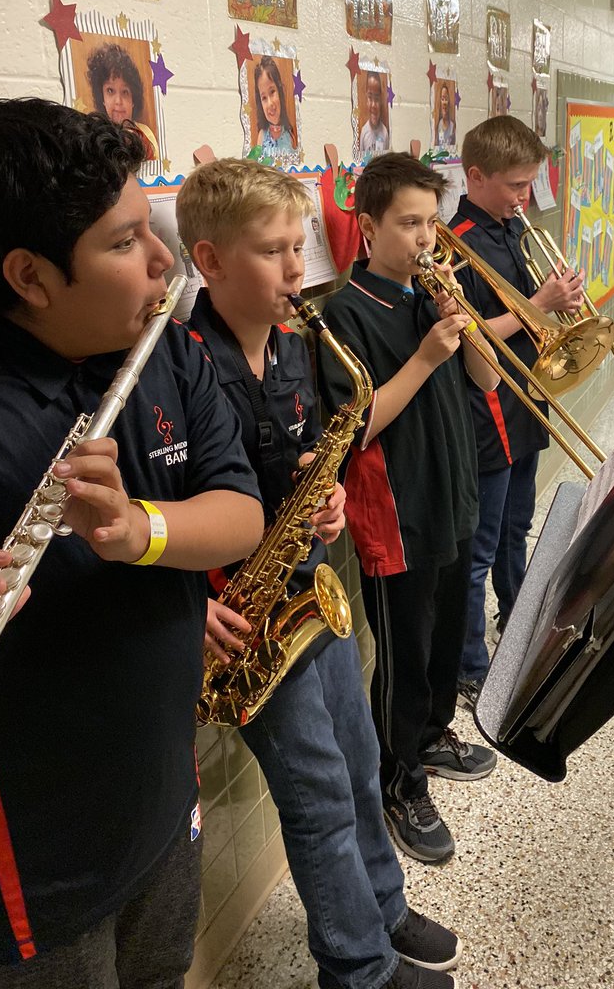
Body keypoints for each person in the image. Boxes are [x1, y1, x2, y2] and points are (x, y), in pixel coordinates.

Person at [0, 98, 265, 986]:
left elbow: (241, 513)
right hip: (33, 861)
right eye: (125, 242)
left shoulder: (167, 349)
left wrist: (136, 530)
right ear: (31, 276)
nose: (164, 258)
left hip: (163, 793)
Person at [176, 158, 462, 989]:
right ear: (209, 261)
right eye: (273, 252)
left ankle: (384, 908)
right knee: (318, 795)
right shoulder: (181, 367)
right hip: (244, 613)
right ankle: (358, 968)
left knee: (360, 755)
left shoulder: (295, 343)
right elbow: (161, 509)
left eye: (298, 247)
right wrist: (192, 602)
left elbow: (308, 457)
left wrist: (327, 497)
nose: (297, 270)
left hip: (303, 583)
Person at [317, 152, 499, 866]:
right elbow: (357, 427)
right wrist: (424, 356)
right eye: (409, 223)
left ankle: (430, 737)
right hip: (397, 515)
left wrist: (464, 321)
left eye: (432, 222)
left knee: (446, 639)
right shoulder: (345, 312)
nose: (426, 238)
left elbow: (487, 379)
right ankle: (399, 780)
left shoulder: (433, 295)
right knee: (404, 656)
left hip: (452, 495)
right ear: (368, 227)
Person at [449, 117, 585, 707]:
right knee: (481, 545)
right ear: (476, 176)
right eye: (515, 185)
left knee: (516, 525)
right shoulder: (456, 242)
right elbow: (471, 334)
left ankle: (518, 616)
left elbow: (527, 317)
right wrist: (538, 304)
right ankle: (470, 665)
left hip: (526, 396)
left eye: (530, 183)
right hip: (487, 408)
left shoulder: (510, 229)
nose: (525, 197)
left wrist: (559, 302)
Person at [86, 42, 158, 161]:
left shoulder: (145, 135)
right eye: (110, 91)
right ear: (102, 98)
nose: (118, 101)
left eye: (125, 92)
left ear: (133, 100)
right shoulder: (95, 135)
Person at [253, 55, 296, 158]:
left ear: (280, 90)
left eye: (272, 92)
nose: (270, 103)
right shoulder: (262, 136)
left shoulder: (289, 135)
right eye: (264, 98)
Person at [359, 71, 390, 156]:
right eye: (370, 97)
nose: (373, 105)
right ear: (366, 100)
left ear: (381, 101)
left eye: (376, 99)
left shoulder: (384, 133)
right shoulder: (364, 132)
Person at [435, 84, 455, 148]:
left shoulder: (452, 126)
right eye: (442, 99)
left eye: (446, 99)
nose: (444, 103)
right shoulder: (438, 125)